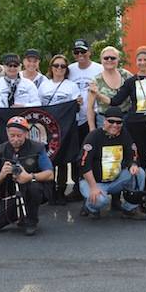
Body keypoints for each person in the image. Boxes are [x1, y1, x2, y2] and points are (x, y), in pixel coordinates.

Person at [102, 46, 146, 214]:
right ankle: (137, 202)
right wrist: (97, 94)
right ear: (136, 62)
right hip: (135, 127)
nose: (142, 63)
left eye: (145, 59)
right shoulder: (131, 81)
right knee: (137, 166)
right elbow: (115, 101)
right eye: (139, 60)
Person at [0, 116, 54, 236]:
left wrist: (30, 177)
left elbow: (50, 174)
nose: (15, 139)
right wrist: (1, 175)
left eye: (19, 135)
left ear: (26, 133)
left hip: (32, 189)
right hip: (9, 193)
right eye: (12, 135)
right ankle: (18, 213)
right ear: (7, 133)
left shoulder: (38, 148)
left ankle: (31, 220)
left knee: (33, 187)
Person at [78, 106, 146, 220]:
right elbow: (84, 164)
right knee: (101, 201)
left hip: (115, 180)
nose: (115, 125)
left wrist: (133, 165)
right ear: (104, 121)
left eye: (118, 122)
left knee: (140, 173)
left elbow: (132, 153)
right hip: (94, 182)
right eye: (111, 121)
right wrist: (94, 187)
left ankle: (129, 209)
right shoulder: (93, 136)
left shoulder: (124, 134)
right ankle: (90, 207)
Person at [37, 54, 80, 204]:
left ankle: (61, 191)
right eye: (56, 66)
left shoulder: (71, 86)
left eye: (63, 66)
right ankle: (49, 192)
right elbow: (39, 107)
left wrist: (78, 103)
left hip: (66, 127)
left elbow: (75, 106)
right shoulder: (44, 85)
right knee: (49, 159)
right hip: (48, 128)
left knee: (63, 159)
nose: (59, 69)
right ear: (51, 68)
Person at [66, 38, 103, 201]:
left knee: (92, 153)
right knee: (77, 153)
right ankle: (77, 186)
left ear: (89, 52)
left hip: (94, 116)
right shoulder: (69, 69)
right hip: (74, 118)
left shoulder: (99, 68)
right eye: (76, 52)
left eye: (83, 51)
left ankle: (95, 185)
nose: (80, 55)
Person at [87, 46, 132, 131]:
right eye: (106, 58)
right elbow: (90, 108)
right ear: (101, 60)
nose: (109, 60)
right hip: (104, 120)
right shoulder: (96, 80)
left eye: (113, 58)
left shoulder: (126, 75)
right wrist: (92, 128)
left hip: (126, 119)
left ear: (118, 59)